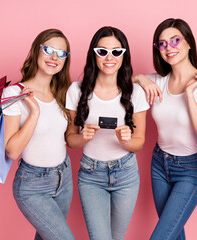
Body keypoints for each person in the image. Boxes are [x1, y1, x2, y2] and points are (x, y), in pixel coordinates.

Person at [133, 18, 197, 240]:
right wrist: (143, 79)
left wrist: (189, 95)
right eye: (162, 44)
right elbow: (124, 82)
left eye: (175, 40)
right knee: (174, 235)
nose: (168, 48)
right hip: (159, 164)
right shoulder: (158, 81)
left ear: (189, 43)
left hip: (190, 170)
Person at [65, 26, 149, 240]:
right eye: (102, 51)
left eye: (116, 52)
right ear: (94, 55)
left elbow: (139, 142)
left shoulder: (136, 92)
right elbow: (70, 140)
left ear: (124, 55)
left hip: (126, 173)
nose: (109, 57)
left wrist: (127, 141)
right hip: (91, 175)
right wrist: (82, 137)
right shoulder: (76, 90)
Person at [2, 29, 75, 240]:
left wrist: (142, 81)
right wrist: (34, 113)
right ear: (36, 51)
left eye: (62, 53)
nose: (54, 57)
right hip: (32, 184)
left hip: (64, 177)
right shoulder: (14, 93)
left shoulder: (63, 92)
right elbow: (12, 150)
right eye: (49, 49)